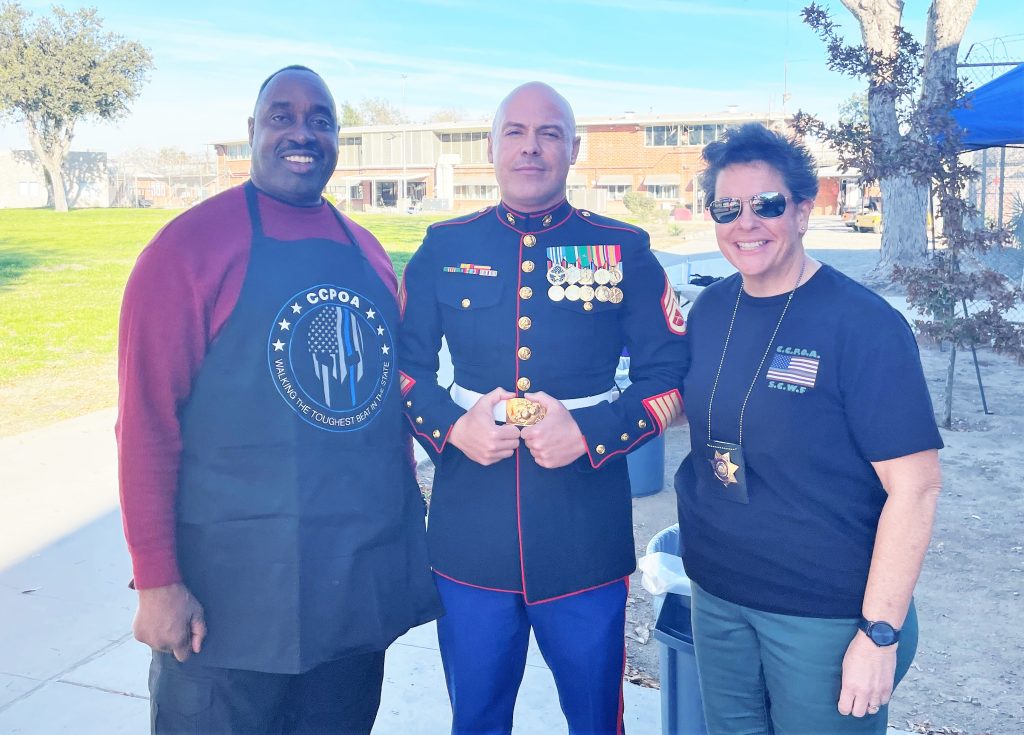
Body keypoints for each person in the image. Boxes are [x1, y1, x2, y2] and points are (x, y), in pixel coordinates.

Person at [116, 65, 441, 734]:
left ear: (337, 138)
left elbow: (390, 417)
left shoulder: (370, 253)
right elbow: (146, 424)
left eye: (320, 120)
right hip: (224, 603)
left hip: (351, 594)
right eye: (282, 116)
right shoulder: (187, 248)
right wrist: (156, 579)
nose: (302, 132)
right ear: (252, 131)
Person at [398, 82, 689, 734]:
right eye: (516, 132)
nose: (531, 147)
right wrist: (455, 428)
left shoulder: (623, 249)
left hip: (583, 530)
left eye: (549, 133)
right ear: (492, 147)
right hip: (470, 532)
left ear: (573, 149)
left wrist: (589, 433)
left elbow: (669, 373)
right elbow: (403, 369)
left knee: (595, 719)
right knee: (475, 718)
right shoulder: (445, 246)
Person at [674, 122, 943, 734]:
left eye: (767, 204)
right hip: (718, 592)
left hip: (821, 613)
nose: (746, 223)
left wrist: (879, 633)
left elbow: (916, 487)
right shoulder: (711, 309)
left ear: (802, 209)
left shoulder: (863, 326)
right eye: (727, 207)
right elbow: (691, 404)